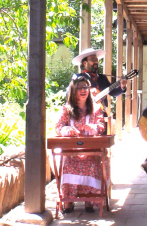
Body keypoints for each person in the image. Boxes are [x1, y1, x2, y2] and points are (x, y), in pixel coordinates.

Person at [55, 76, 107, 213]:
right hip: (72, 152)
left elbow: (102, 126)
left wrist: (94, 128)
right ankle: (68, 201)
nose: (83, 90)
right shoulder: (66, 109)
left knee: (92, 163)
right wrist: (66, 130)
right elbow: (58, 127)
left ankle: (89, 200)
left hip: (91, 151)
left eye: (85, 87)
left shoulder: (96, 108)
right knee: (69, 163)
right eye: (79, 88)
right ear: (73, 91)